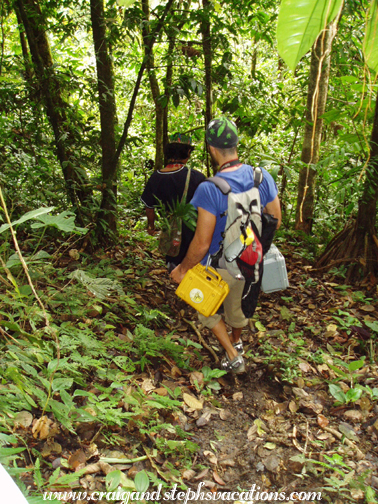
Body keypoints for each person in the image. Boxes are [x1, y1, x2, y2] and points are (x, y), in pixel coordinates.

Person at [171, 118, 281, 373]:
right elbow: (275, 219)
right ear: (236, 143)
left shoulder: (209, 189)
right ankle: (237, 341)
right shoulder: (261, 177)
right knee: (239, 308)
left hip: (219, 266)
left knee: (204, 309)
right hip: (252, 261)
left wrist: (183, 269)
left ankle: (232, 355)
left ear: (211, 148)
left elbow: (202, 243)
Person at [141, 133, 206, 269]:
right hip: (194, 232)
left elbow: (149, 207)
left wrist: (151, 225)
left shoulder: (156, 177)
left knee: (173, 263)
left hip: (170, 231)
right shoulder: (196, 177)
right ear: (187, 152)